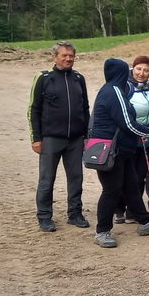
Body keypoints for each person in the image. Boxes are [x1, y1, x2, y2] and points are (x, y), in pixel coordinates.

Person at [91, 58, 149, 248]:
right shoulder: (114, 91)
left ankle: (144, 222)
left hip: (122, 148)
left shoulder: (115, 89)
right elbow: (127, 123)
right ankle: (102, 231)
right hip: (112, 149)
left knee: (131, 186)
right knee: (111, 190)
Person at [28, 41, 90, 232]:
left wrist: (86, 135)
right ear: (54, 57)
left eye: (71, 55)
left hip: (75, 139)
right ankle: (44, 216)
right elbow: (34, 109)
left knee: (76, 178)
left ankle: (75, 213)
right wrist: (36, 139)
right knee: (47, 179)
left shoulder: (78, 78)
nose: (68, 59)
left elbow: (85, 108)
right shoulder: (44, 78)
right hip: (50, 139)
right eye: (64, 55)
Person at [114, 55, 149, 223]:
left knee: (139, 176)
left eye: (146, 70)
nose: (141, 73)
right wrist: (138, 132)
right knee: (124, 175)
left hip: (146, 139)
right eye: (138, 69)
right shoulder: (125, 87)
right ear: (133, 68)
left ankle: (132, 210)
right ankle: (119, 209)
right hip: (128, 137)